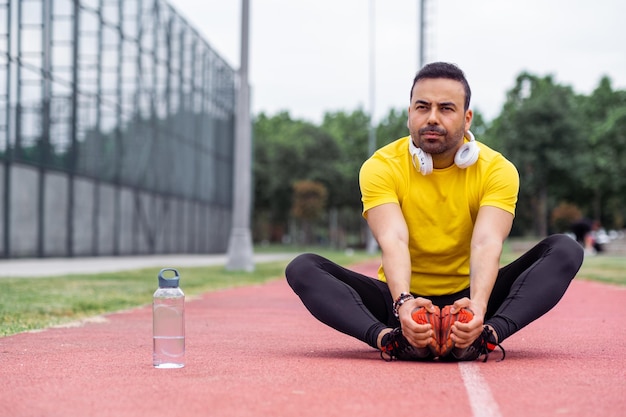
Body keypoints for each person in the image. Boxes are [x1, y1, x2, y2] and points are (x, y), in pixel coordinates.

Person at [285, 62, 584, 362]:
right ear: (409, 114)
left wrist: (478, 308)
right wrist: (404, 304)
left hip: (471, 299)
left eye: (446, 108)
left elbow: (486, 243)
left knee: (565, 250)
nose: (432, 118)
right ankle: (391, 340)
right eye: (422, 107)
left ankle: (484, 337)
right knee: (303, 268)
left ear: (467, 119)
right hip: (401, 300)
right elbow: (393, 240)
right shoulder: (380, 166)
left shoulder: (497, 170)